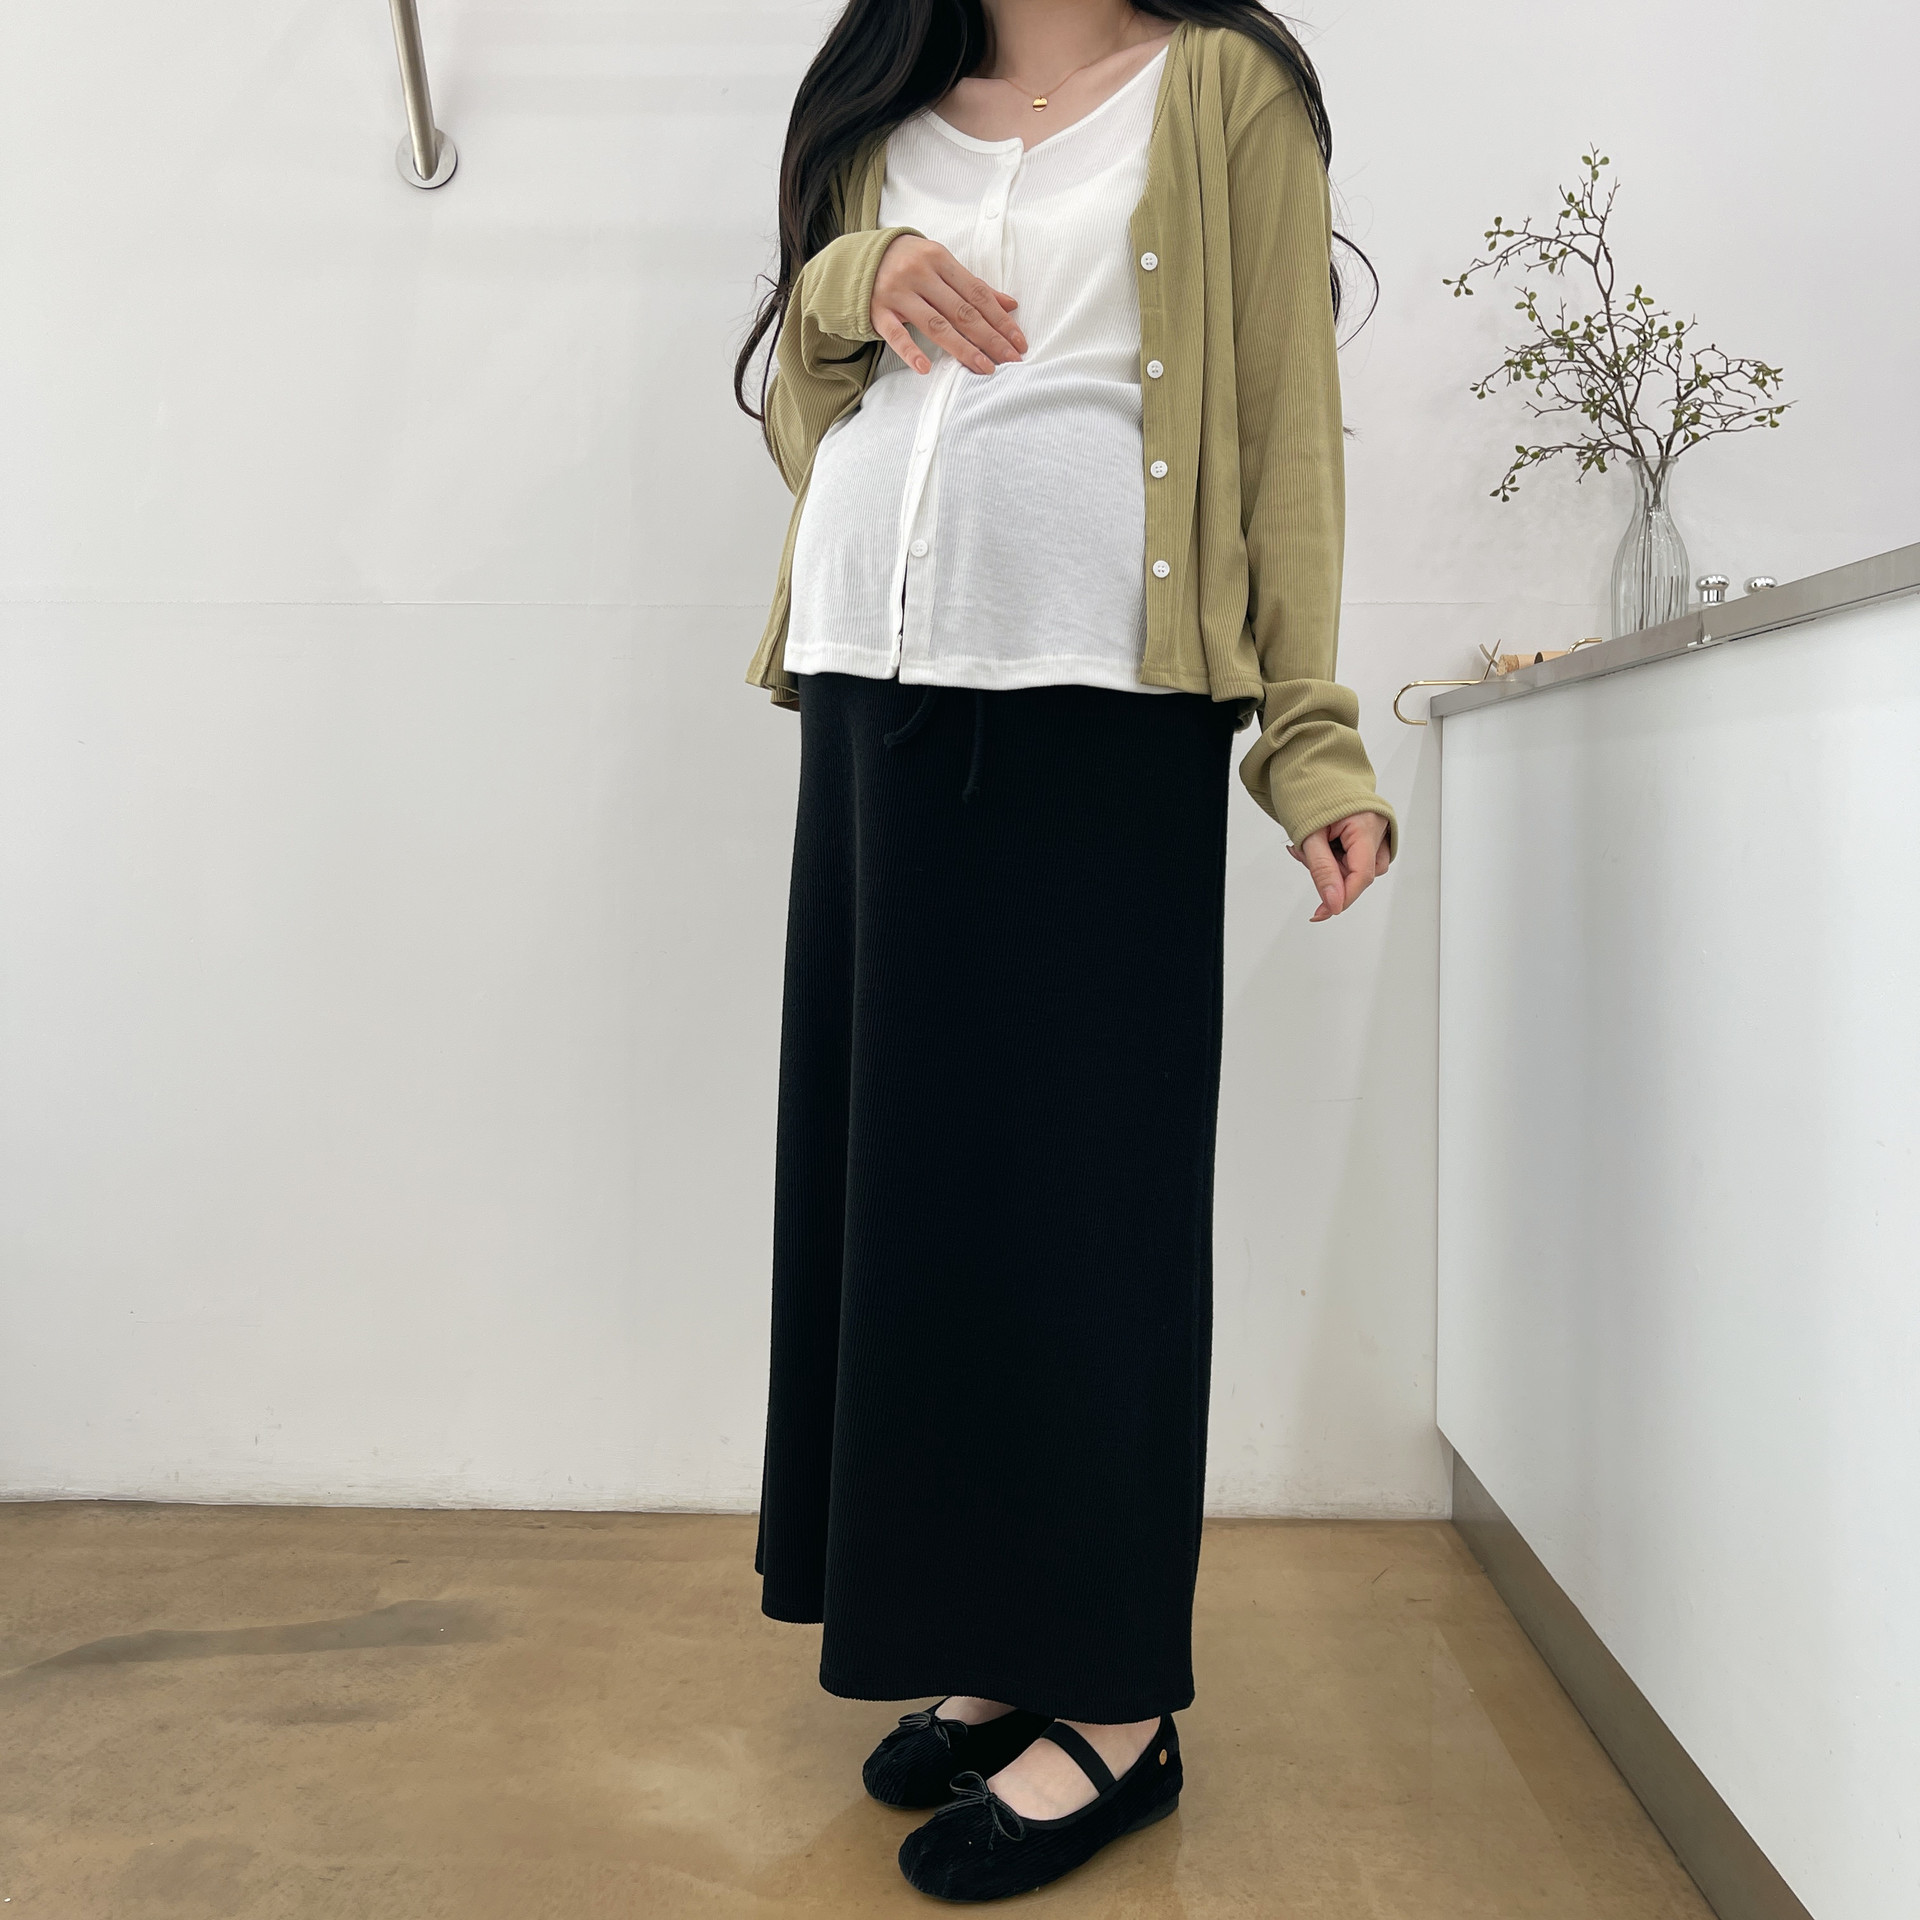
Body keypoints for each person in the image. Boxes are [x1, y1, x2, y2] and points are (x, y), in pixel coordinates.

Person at [733, 0, 1395, 1899]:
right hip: (873, 684)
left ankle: (1113, 1705)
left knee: (1089, 1210)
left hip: (1102, 702)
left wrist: (1307, 733)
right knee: (917, 1205)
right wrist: (854, 275)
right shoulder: (878, 100)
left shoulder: (1226, 88)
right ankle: (994, 1642)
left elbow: (1283, 421)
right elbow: (803, 419)